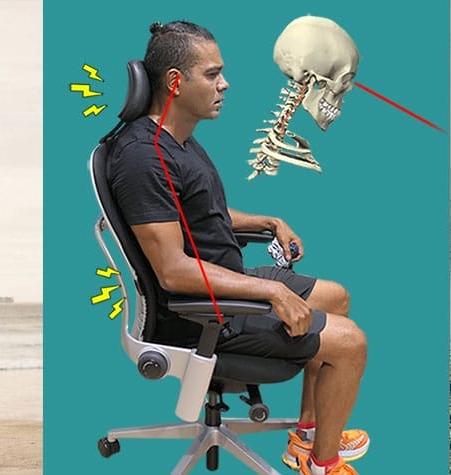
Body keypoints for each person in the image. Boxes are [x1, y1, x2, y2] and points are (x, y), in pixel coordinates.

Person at [108, 21, 368, 475]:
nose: (224, 83)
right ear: (175, 81)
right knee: (349, 342)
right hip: (200, 314)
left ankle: (307, 437)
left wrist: (269, 221)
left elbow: (205, 213)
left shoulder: (179, 142)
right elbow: (171, 270)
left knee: (337, 297)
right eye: (212, 74)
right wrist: (270, 293)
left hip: (224, 281)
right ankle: (324, 466)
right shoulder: (143, 158)